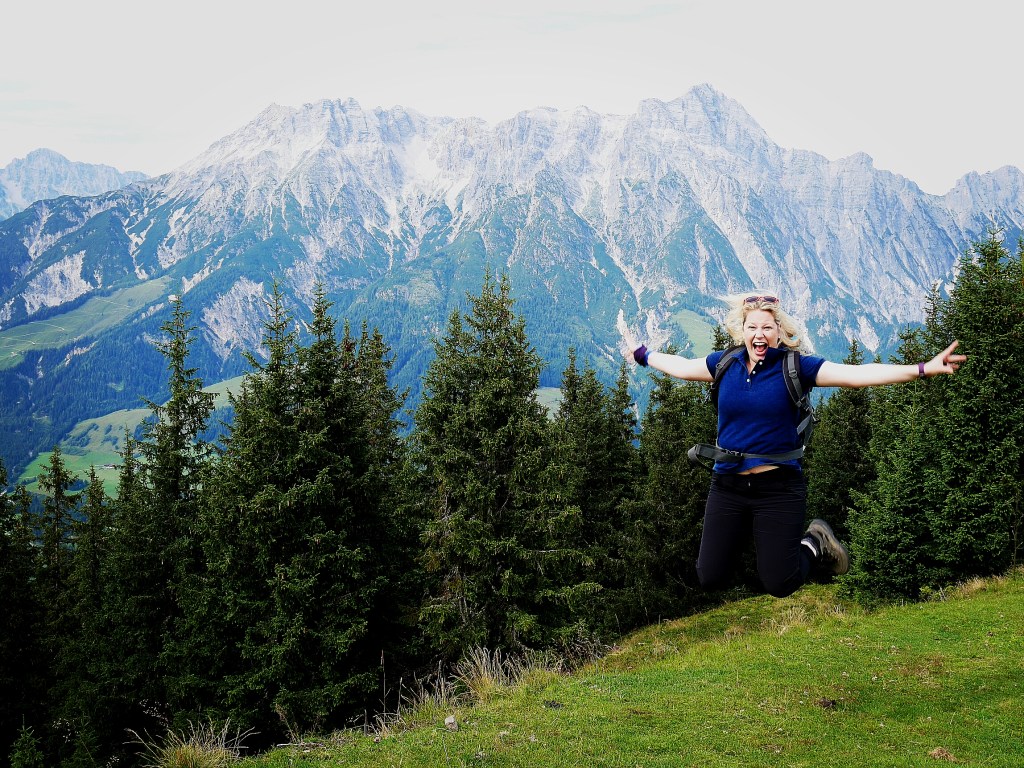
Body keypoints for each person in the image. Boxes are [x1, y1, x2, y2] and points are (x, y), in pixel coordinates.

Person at [631, 292, 965, 598]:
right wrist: (645, 355)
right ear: (741, 330)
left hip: (778, 487)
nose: (759, 335)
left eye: (767, 327)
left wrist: (922, 369)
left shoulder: (795, 367)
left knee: (780, 583)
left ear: (779, 331)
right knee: (710, 577)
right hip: (728, 484)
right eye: (752, 327)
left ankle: (815, 541)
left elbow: (856, 375)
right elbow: (683, 368)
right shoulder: (725, 363)